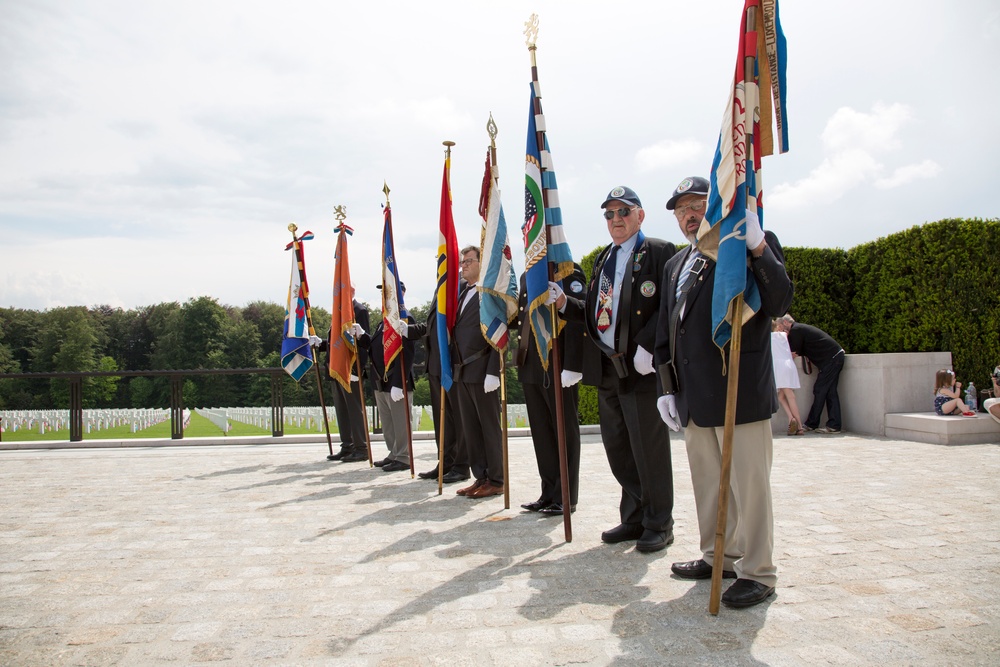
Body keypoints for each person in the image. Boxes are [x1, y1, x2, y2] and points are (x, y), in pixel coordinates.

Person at [654, 175, 793, 609]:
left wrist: (757, 247)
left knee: (749, 487)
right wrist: (666, 388)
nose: (688, 215)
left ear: (713, 206)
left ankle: (759, 571)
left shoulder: (743, 244)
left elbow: (780, 301)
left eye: (696, 205)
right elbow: (667, 332)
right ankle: (721, 557)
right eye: (680, 210)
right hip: (694, 397)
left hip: (739, 393)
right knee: (710, 485)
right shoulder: (676, 264)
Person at [550, 185, 677, 552]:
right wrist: (566, 304)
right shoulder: (605, 257)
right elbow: (596, 310)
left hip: (640, 366)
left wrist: (648, 345)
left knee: (647, 448)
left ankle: (659, 522)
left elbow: (668, 304)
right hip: (607, 365)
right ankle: (634, 517)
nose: (616, 219)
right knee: (618, 448)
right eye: (609, 214)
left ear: (640, 215)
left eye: (624, 212)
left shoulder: (657, 250)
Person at [516, 264, 587, 516]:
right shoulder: (528, 275)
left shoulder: (568, 269)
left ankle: (567, 497)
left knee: (563, 431)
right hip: (532, 363)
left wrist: (572, 365)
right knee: (542, 434)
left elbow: (579, 319)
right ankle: (548, 492)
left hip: (558, 363)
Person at [451, 246, 504, 499]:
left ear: (482, 263)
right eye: (462, 262)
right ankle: (481, 476)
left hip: (483, 370)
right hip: (463, 371)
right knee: (471, 429)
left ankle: (497, 478)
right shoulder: (464, 293)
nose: (463, 265)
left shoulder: (488, 292)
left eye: (468, 261)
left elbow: (499, 328)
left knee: (489, 428)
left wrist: (494, 370)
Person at [406, 287, 470, 483]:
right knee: (442, 421)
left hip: (450, 364)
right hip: (435, 364)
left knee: (457, 419)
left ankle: (461, 466)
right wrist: (408, 330)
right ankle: (445, 462)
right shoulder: (441, 287)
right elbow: (433, 326)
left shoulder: (460, 284)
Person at [356, 283, 417, 473]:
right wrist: (362, 336)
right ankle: (394, 453)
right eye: (383, 292)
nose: (384, 295)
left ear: (401, 293)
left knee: (400, 421)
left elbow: (407, 353)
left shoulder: (405, 317)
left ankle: (404, 456)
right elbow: (376, 348)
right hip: (380, 380)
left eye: (388, 291)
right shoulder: (383, 320)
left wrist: (400, 382)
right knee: (388, 422)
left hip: (396, 381)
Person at [320, 286, 371, 463]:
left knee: (354, 410)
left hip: (351, 369)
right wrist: (321, 344)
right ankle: (347, 446)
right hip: (336, 368)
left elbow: (363, 341)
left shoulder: (359, 310)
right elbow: (338, 340)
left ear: (353, 292)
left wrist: (359, 368)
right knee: (342, 410)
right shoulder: (338, 312)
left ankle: (361, 447)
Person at [774, 314, 844, 434]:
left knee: (819, 389)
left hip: (832, 359)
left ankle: (812, 423)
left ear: (785, 322)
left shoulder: (796, 330)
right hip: (834, 357)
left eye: (780, 326)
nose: (780, 329)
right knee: (830, 391)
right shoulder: (800, 329)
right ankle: (834, 425)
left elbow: (793, 352)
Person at [771, 321, 804, 435]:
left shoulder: (768, 337)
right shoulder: (784, 335)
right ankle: (791, 419)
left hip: (779, 367)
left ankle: (799, 426)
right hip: (789, 364)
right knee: (782, 396)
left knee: (789, 396)